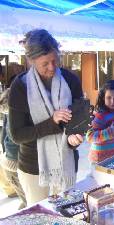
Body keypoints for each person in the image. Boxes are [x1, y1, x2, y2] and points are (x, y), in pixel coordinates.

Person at [8, 29, 84, 205]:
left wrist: (76, 138)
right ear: (31, 61)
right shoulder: (20, 86)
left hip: (66, 161)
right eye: (45, 64)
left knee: (66, 213)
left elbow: (78, 123)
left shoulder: (70, 80)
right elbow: (17, 135)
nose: (52, 67)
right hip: (33, 166)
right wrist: (52, 122)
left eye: (55, 60)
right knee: (39, 217)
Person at [0, 76, 27, 209]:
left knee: (26, 199)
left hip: (14, 162)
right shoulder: (14, 113)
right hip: (14, 162)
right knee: (27, 199)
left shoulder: (12, 113)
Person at [86, 80, 114, 163]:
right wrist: (111, 131)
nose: (112, 102)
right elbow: (90, 136)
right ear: (103, 97)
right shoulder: (100, 116)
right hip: (100, 161)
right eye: (109, 98)